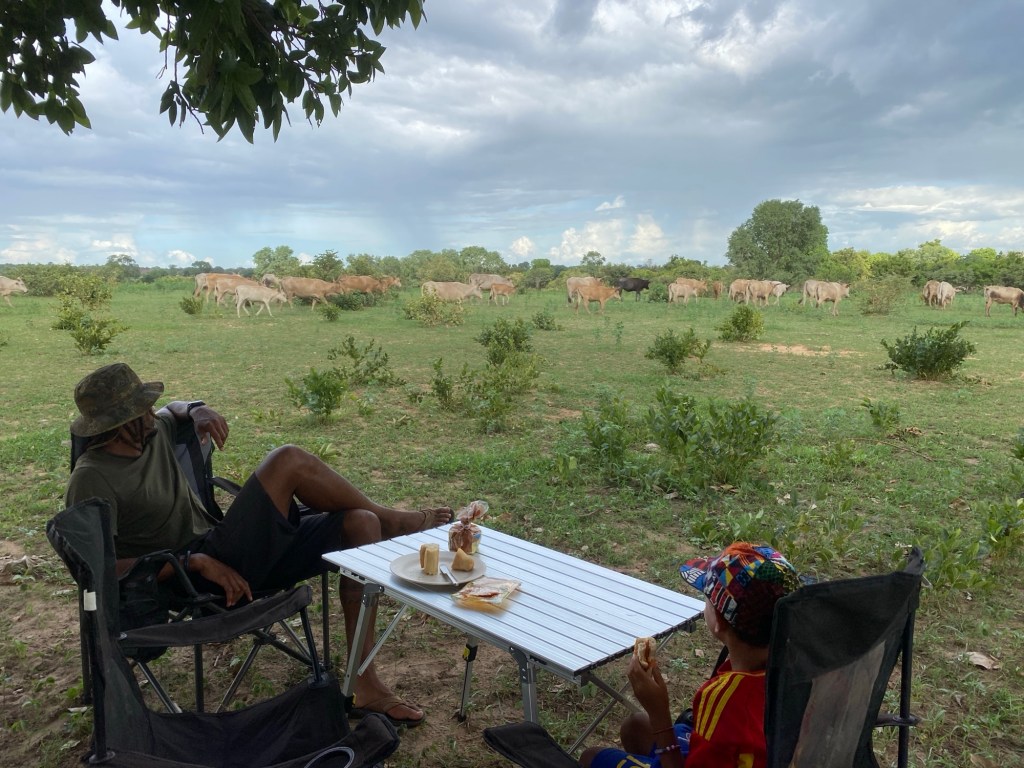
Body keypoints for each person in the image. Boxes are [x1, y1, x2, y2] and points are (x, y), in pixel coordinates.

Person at [65, 362, 452, 728]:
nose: (152, 412)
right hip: (193, 577)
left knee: (361, 524)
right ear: (120, 424)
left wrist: (197, 409)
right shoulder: (92, 478)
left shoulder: (155, 432)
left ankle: (364, 682)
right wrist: (193, 561)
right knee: (287, 460)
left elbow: (174, 409)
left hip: (229, 549)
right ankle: (394, 521)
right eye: (142, 408)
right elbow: (98, 568)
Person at [580, 542, 800, 768]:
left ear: (719, 621)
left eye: (707, 598)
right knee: (636, 726)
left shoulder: (726, 699)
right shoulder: (803, 668)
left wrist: (659, 713)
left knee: (591, 757)